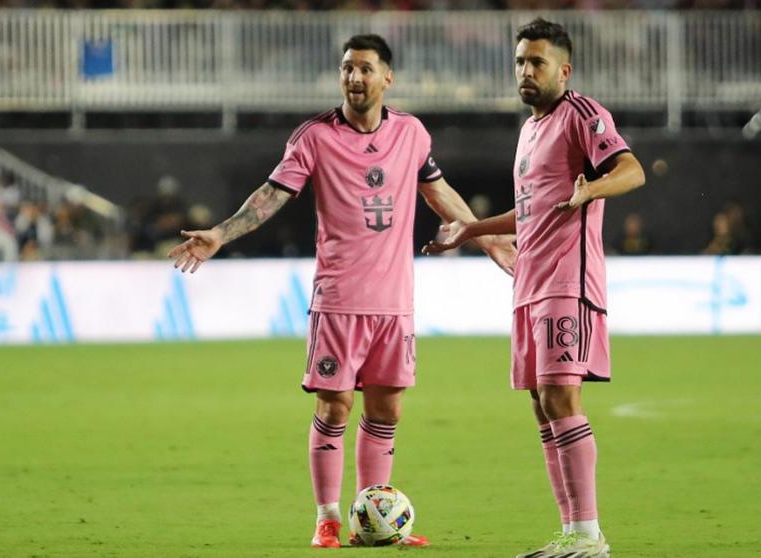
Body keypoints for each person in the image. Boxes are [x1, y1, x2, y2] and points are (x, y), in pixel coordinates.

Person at [167, 33, 516, 549]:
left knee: (387, 410)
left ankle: (373, 519)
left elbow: (438, 192)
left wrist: (486, 239)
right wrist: (220, 233)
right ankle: (328, 517)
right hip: (338, 301)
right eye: (347, 68)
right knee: (334, 408)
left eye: (365, 69)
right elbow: (271, 195)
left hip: (394, 303)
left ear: (387, 78)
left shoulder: (412, 134)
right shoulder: (314, 136)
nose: (354, 77)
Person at [424, 18, 645, 558]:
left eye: (537, 62)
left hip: (568, 280)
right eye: (520, 61)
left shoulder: (583, 114)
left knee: (560, 396)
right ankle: (571, 533)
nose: (526, 70)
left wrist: (591, 188)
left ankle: (591, 536)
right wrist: (470, 229)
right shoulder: (528, 131)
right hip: (528, 281)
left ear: (563, 70)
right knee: (540, 404)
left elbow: (633, 170)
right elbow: (528, 212)